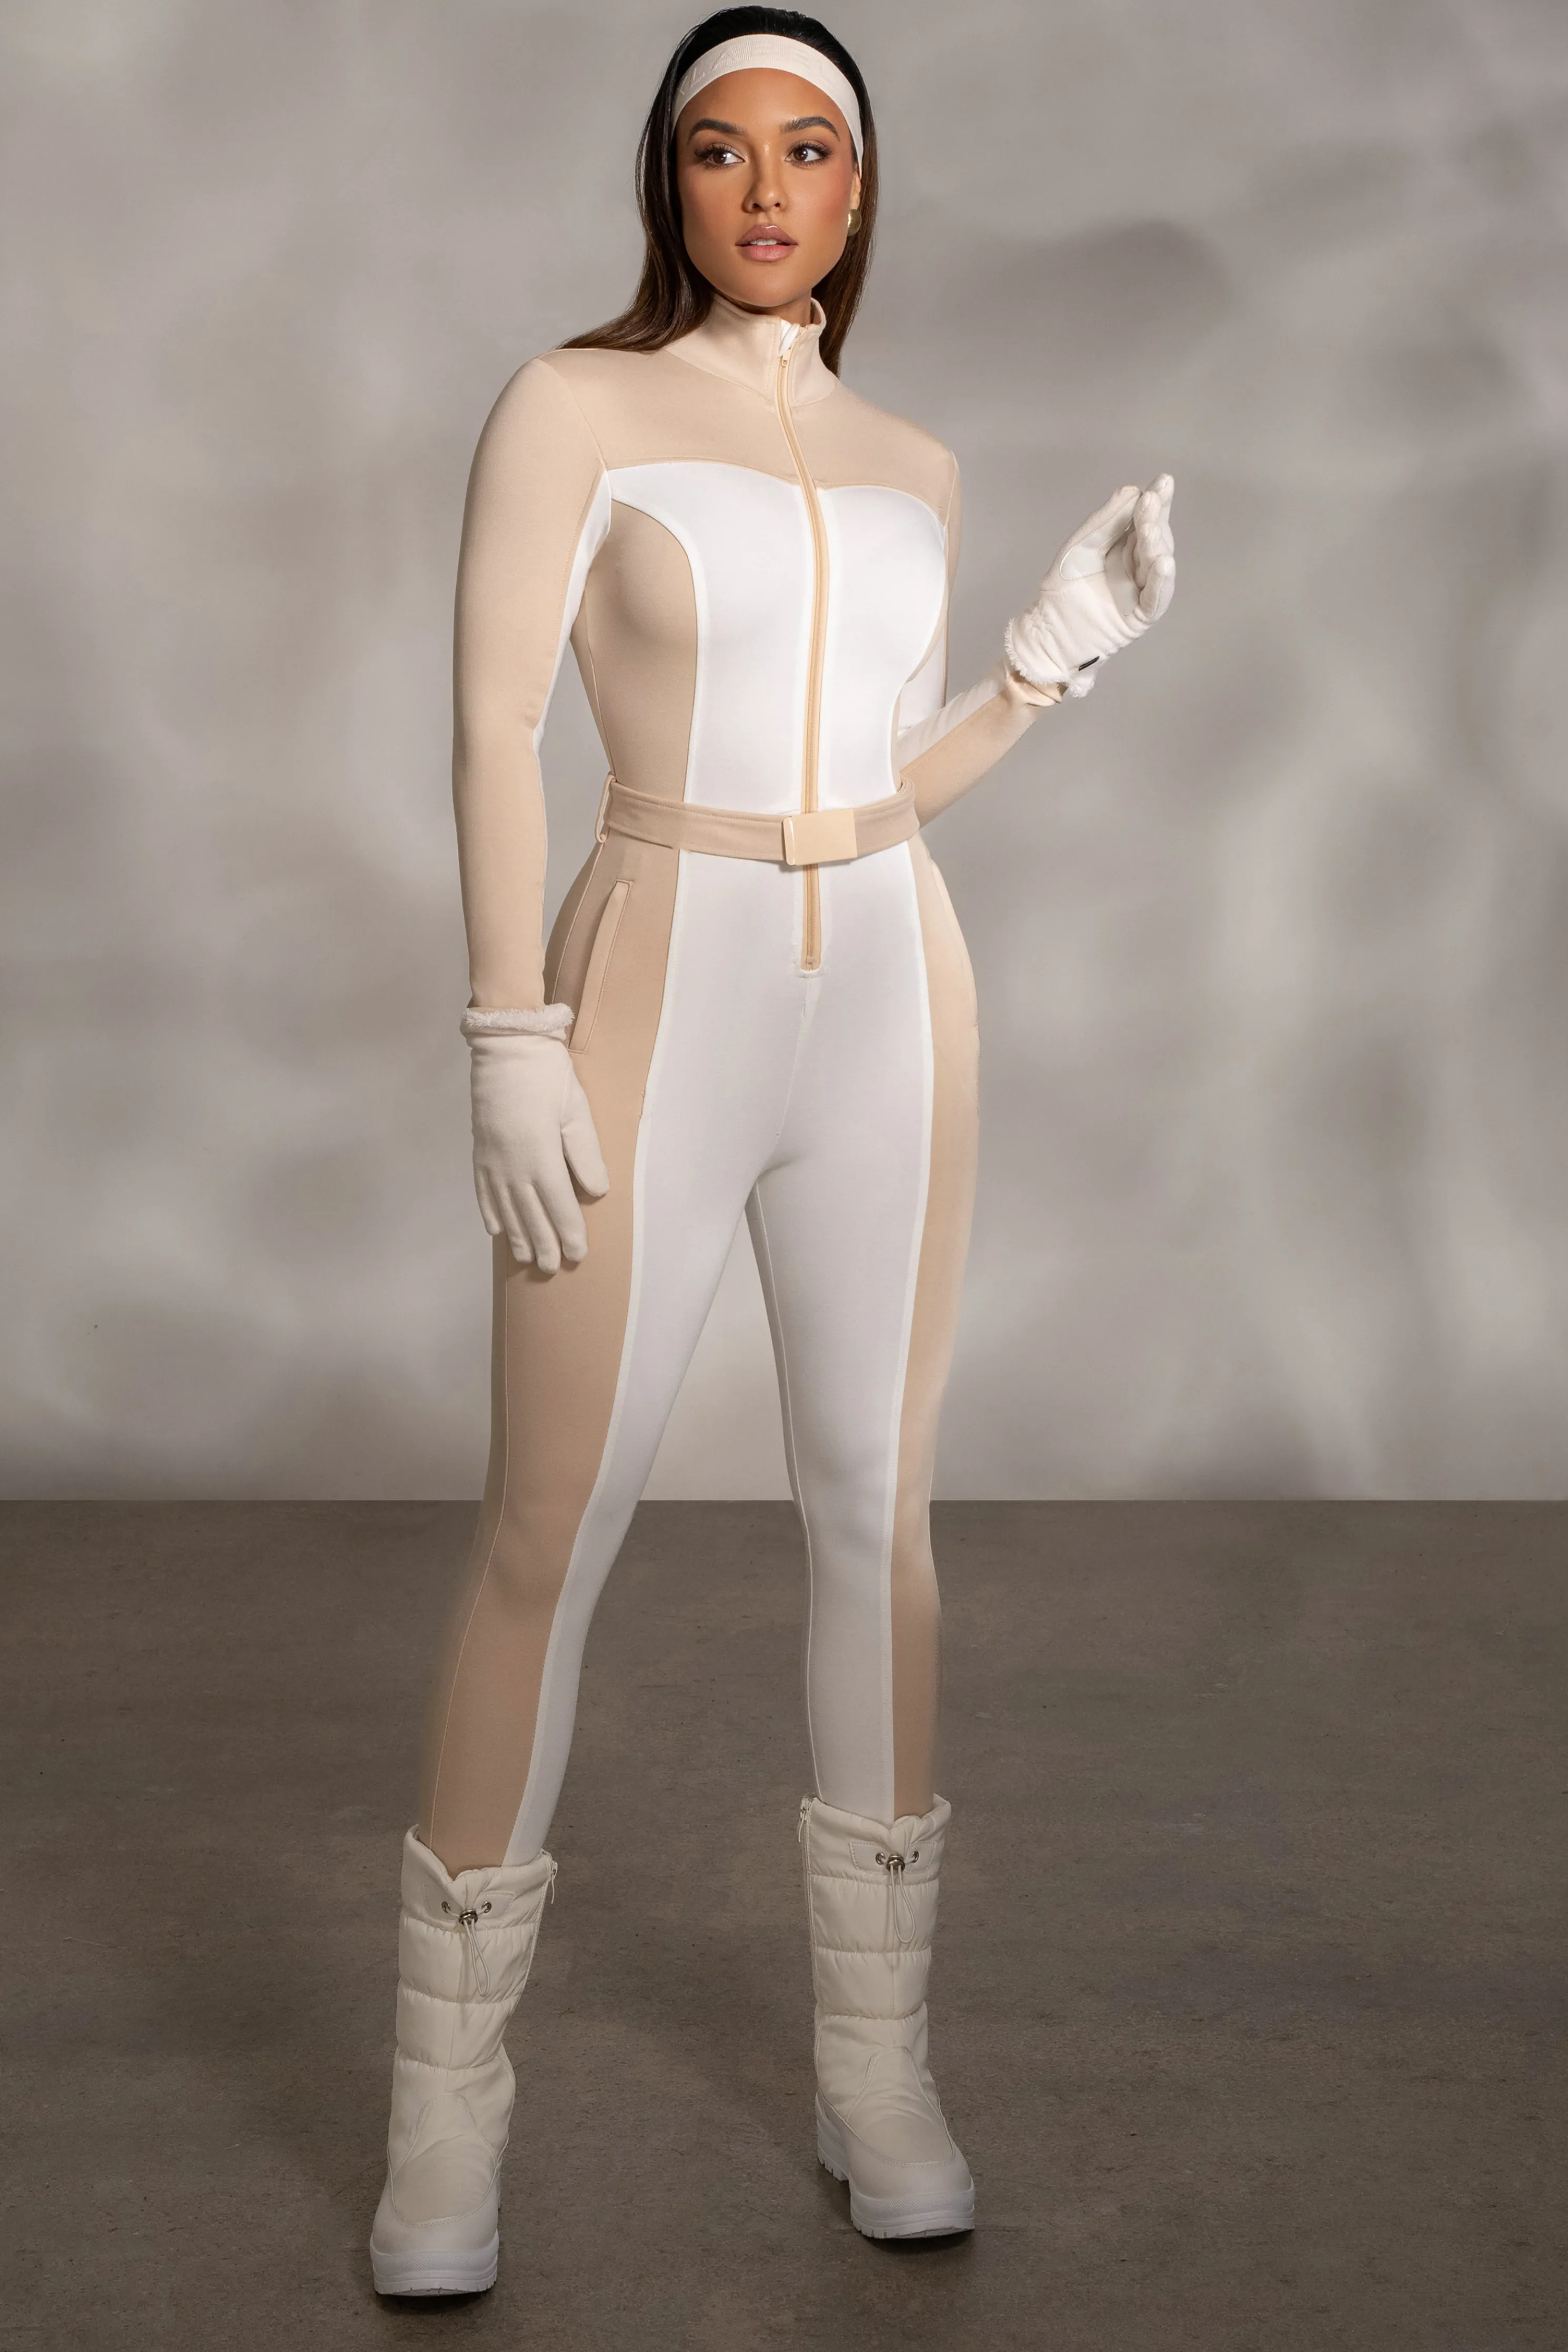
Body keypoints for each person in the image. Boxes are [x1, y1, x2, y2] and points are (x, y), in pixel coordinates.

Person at [369, 6, 1175, 2291]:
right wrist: (509, 1025)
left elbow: (868, 782)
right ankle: (443, 2120)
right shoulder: (572, 405)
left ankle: (877, 2071)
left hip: (891, 988)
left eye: (807, 147)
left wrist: (1040, 663)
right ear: (668, 180)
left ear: (858, 187)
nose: (763, 186)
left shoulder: (915, 463)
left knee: (872, 1513)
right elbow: (489, 726)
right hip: (650, 969)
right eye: (719, 148)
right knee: (548, 1527)